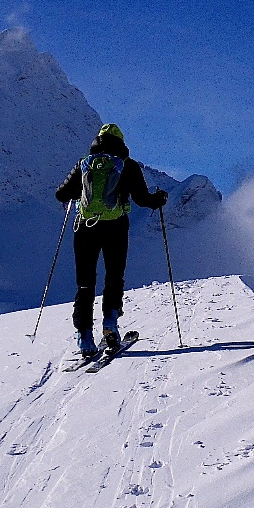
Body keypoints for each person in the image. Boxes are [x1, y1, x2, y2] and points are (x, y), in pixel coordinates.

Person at [54, 123, 168, 357]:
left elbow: (61, 194)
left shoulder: (83, 164)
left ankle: (84, 336)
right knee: (114, 277)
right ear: (121, 143)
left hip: (85, 227)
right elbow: (143, 199)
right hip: (116, 227)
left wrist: (80, 192)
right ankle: (110, 324)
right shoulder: (128, 166)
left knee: (85, 283)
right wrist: (159, 199)